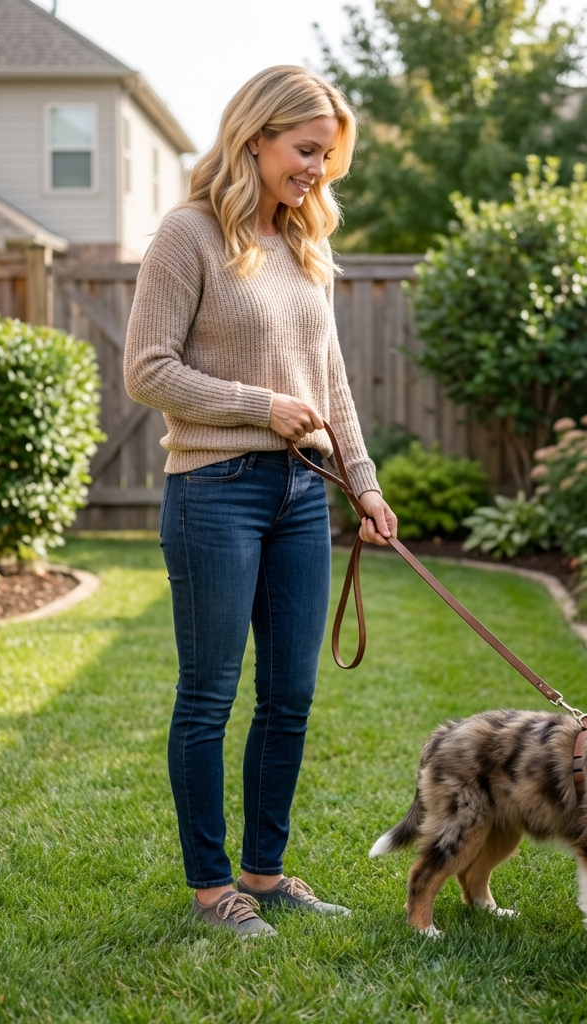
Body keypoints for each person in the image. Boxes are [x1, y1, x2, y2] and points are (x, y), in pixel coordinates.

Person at [124, 65, 397, 939]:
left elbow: (334, 384)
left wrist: (364, 481)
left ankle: (266, 874)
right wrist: (259, 405)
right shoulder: (189, 235)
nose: (318, 169)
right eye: (305, 150)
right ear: (255, 137)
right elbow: (147, 370)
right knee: (209, 695)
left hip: (300, 495)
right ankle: (213, 893)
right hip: (214, 491)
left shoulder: (303, 247)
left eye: (328, 156)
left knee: (291, 696)